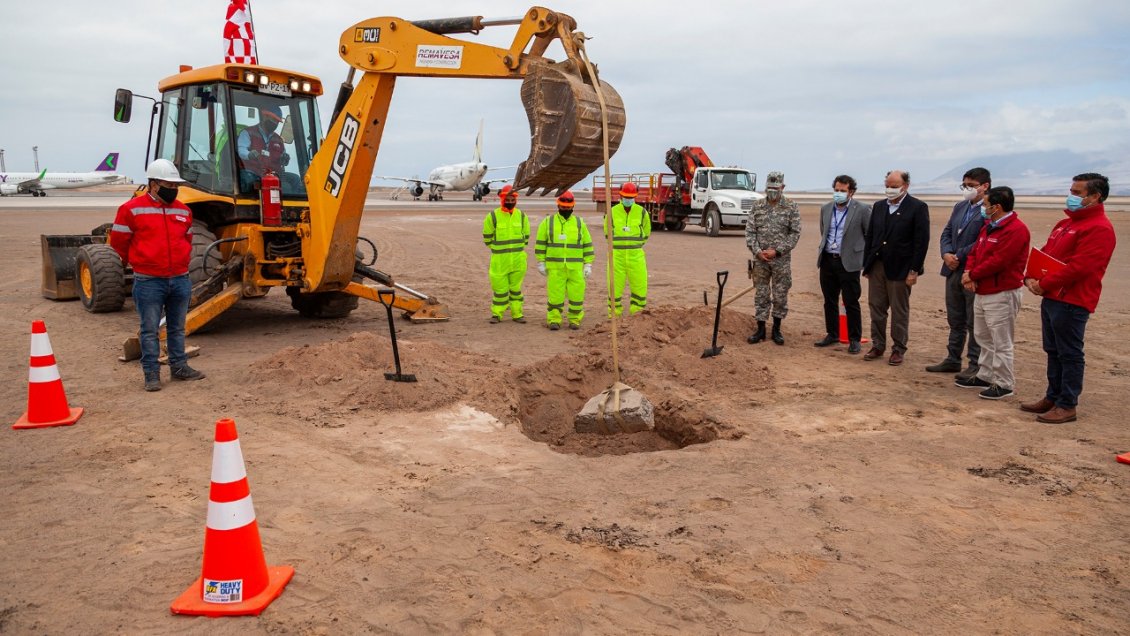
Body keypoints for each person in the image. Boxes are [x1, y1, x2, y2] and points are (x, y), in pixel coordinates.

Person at [1020, 173, 1116, 424]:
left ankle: (1067, 404)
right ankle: (1053, 396)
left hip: (1073, 300)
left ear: (1095, 196)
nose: (1071, 196)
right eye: (1071, 191)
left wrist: (1044, 284)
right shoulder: (1066, 224)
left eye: (1077, 193)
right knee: (1052, 349)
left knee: (1070, 352)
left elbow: (1080, 267)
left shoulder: (1099, 228)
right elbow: (1045, 255)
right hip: (1052, 297)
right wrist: (1030, 277)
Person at [109, 159, 206, 391]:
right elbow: (119, 244)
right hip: (149, 281)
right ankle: (151, 373)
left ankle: (179, 367)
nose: (173, 190)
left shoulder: (183, 211)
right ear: (153, 184)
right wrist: (130, 266)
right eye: (168, 185)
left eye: (175, 186)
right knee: (150, 329)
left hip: (180, 279)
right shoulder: (130, 209)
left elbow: (188, 240)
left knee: (177, 328)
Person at [957, 186, 1030, 400]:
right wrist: (969, 272)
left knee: (1001, 340)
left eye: (986, 205)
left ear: (996, 207)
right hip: (982, 290)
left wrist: (973, 275)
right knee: (982, 335)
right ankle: (985, 374)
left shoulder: (1016, 229)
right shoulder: (989, 226)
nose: (984, 208)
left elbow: (1000, 261)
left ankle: (1004, 382)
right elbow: (975, 251)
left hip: (1002, 292)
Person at [861, 170, 930, 365]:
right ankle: (878, 345)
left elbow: (921, 242)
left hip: (901, 268)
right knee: (876, 307)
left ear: (905, 186)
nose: (890, 190)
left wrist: (914, 269)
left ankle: (898, 348)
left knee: (899, 310)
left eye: (894, 187)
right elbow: (871, 236)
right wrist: (867, 265)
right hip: (877, 266)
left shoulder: (917, 207)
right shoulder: (879, 206)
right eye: (888, 186)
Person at [927, 168, 990, 378]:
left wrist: (958, 256)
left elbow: (982, 239)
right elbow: (947, 232)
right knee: (955, 318)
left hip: (971, 272)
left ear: (984, 186)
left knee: (974, 321)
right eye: (964, 185)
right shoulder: (960, 206)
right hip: (952, 269)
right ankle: (953, 358)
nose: (967, 189)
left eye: (971, 185)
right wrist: (946, 253)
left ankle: (974, 364)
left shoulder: (988, 210)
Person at [814, 175, 870, 353]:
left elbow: (868, 234)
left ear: (851, 192)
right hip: (828, 260)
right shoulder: (826, 209)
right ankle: (832, 333)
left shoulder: (862, 209)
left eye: (842, 191)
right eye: (836, 190)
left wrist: (863, 260)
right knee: (829, 300)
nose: (838, 193)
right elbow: (824, 231)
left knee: (851, 301)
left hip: (849, 262)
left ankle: (854, 339)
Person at [745, 171, 802, 345]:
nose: (772, 191)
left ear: (782, 187)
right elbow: (750, 232)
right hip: (760, 261)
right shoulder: (758, 206)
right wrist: (757, 251)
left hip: (781, 261)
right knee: (761, 294)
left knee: (780, 295)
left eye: (775, 188)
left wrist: (777, 251)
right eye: (769, 188)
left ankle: (776, 329)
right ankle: (760, 329)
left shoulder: (791, 207)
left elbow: (795, 233)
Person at [535, 190, 594, 330]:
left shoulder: (580, 223)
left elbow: (587, 244)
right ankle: (554, 320)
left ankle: (575, 320)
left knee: (577, 296)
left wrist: (588, 264)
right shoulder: (548, 222)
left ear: (573, 206)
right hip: (555, 267)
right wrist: (540, 262)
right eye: (563, 207)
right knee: (555, 296)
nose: (565, 209)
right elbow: (540, 243)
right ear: (558, 206)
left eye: (568, 207)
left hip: (575, 268)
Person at [482, 185, 530, 323]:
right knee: (500, 289)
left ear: (515, 199)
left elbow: (526, 237)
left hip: (518, 259)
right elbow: (487, 238)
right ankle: (497, 314)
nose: (509, 201)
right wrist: (499, 249)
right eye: (507, 199)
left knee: (516, 289)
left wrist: (515, 250)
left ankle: (517, 314)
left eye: (512, 199)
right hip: (499, 260)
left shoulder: (521, 216)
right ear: (502, 199)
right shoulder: (493, 216)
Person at [604, 182, 650, 316]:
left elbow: (646, 231)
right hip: (616, 257)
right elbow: (607, 232)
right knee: (614, 288)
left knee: (639, 286)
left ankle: (637, 314)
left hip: (636, 256)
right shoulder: (612, 212)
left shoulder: (641, 212)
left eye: (631, 197)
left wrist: (636, 245)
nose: (628, 200)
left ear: (635, 197)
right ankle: (614, 315)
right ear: (621, 196)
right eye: (626, 197)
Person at [236, 105, 302, 194]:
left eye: (277, 122)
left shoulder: (278, 139)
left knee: (295, 179)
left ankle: (292, 205)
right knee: (247, 180)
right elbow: (241, 150)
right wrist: (249, 154)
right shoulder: (248, 133)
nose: (275, 124)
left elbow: (283, 157)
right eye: (273, 120)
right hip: (253, 172)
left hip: (274, 174)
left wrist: (285, 159)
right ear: (265, 116)